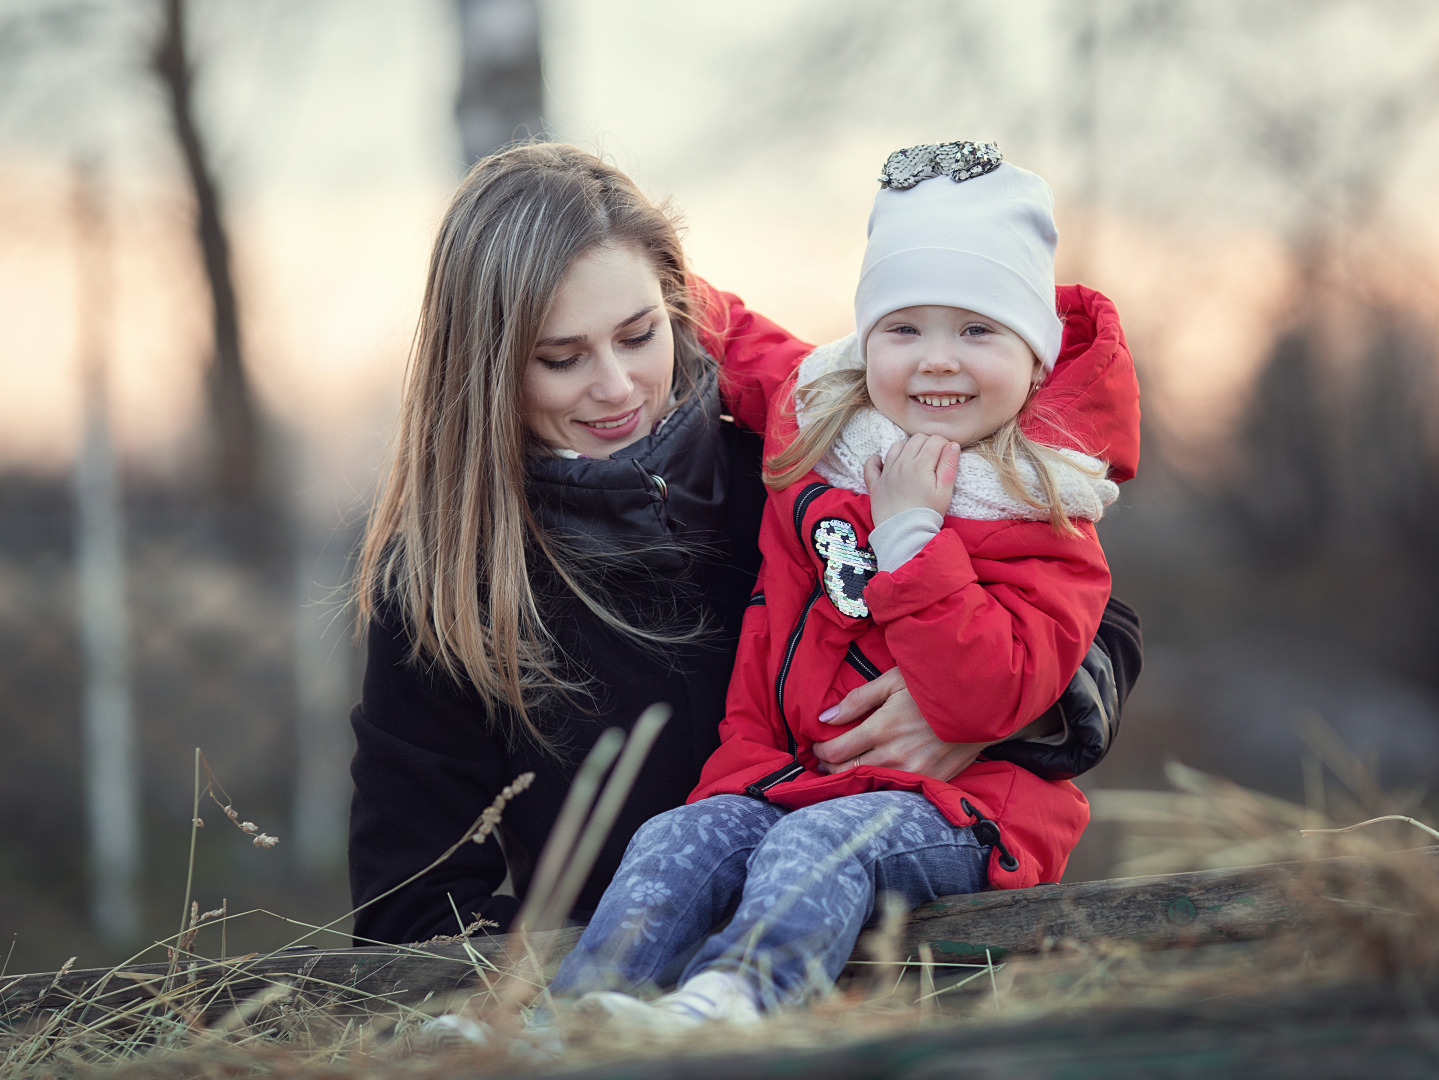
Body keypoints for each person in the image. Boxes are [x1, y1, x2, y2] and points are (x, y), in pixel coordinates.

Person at [346, 142, 1142, 949]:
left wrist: (973, 715)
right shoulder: (444, 583)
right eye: (561, 359)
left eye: (636, 336)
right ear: (485, 371)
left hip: (904, 972)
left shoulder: (793, 467)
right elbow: (408, 913)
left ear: (677, 313)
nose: (616, 387)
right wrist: (647, 954)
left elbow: (1100, 626)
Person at [544, 141, 1140, 1026]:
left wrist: (910, 536)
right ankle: (576, 1016)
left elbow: (992, 690)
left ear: (1037, 356)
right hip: (781, 776)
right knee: (675, 835)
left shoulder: (1043, 511)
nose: (937, 359)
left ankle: (738, 998)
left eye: (976, 329)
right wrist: (607, 249)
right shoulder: (828, 421)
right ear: (866, 345)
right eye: (904, 329)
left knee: (823, 843)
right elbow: (729, 334)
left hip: (959, 812)